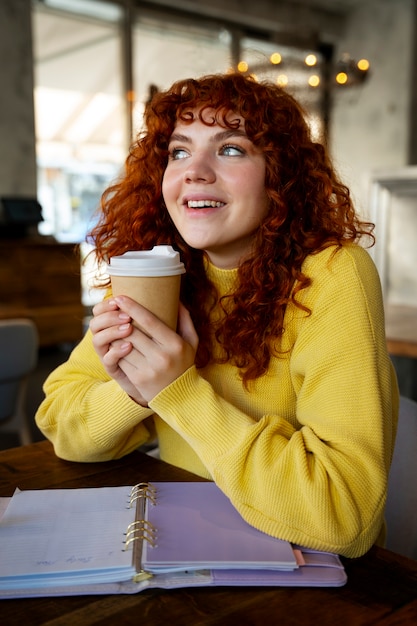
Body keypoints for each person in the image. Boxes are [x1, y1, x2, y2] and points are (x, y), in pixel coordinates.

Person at [35, 72, 398, 559]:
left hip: (308, 570)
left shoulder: (333, 274)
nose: (194, 171)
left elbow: (343, 516)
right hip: (191, 547)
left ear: (280, 177)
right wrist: (133, 388)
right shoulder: (162, 272)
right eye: (179, 152)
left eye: (230, 149)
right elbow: (61, 426)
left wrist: (177, 390)